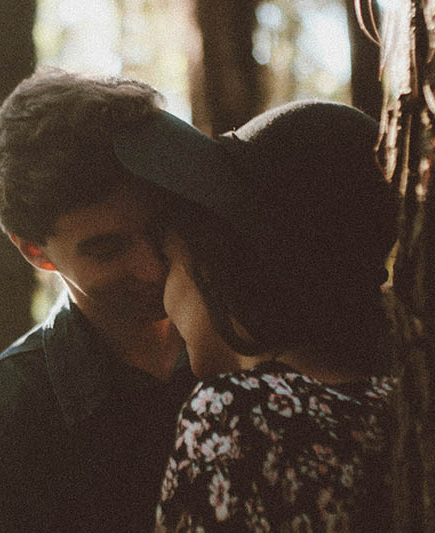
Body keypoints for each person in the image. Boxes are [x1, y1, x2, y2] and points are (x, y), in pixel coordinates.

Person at [112, 101, 398, 531]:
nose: (161, 296)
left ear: (220, 266)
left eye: (169, 260)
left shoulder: (240, 416)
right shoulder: (399, 404)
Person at [0, 68, 196, 532]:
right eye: (108, 248)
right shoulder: (1, 414)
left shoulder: (257, 345)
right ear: (35, 251)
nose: (152, 268)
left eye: (158, 227)